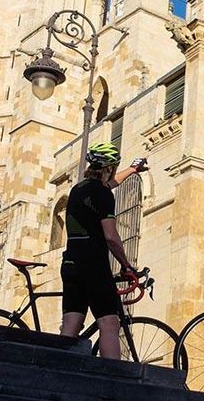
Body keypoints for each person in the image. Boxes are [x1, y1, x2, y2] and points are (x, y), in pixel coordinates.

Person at [59, 142, 149, 359]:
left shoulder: (78, 189)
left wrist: (132, 169)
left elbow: (106, 186)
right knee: (109, 323)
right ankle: (112, 374)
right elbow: (111, 236)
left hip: (71, 263)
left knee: (71, 323)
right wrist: (127, 266)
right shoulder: (104, 195)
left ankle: (58, 367)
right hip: (93, 265)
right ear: (109, 168)